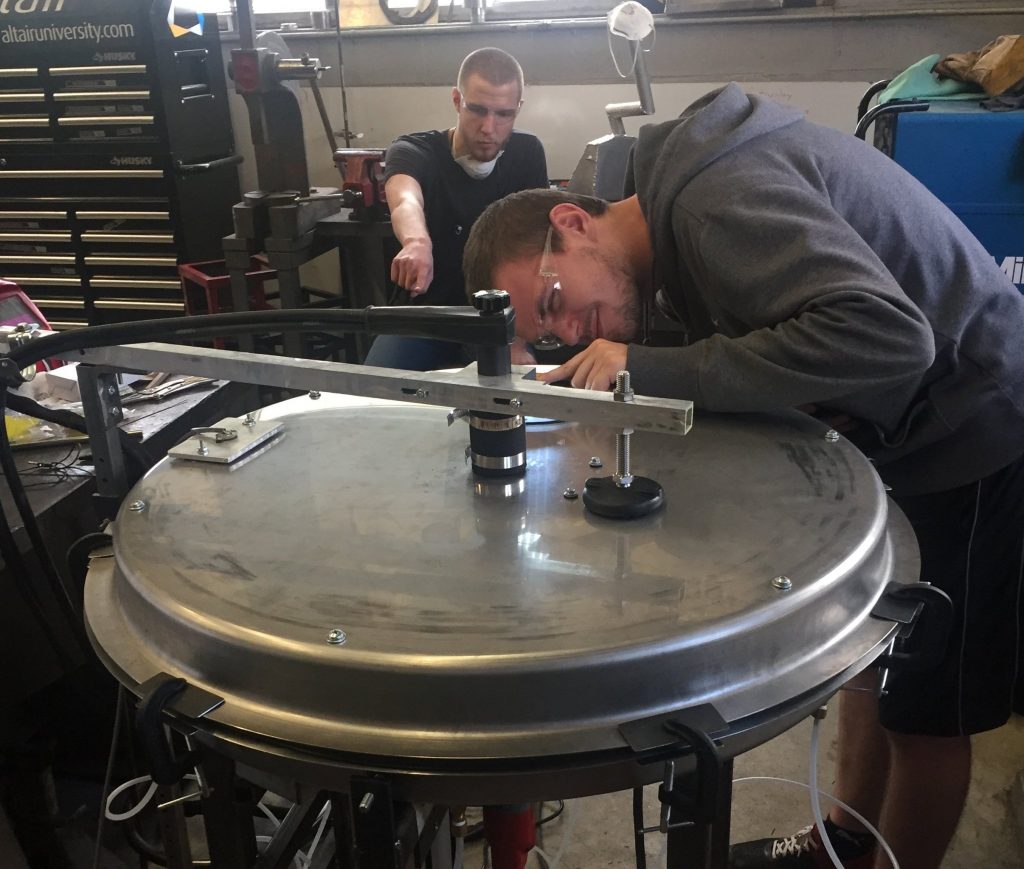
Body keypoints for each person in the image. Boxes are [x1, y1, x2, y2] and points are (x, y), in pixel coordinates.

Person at [462, 83, 1024, 869]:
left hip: (975, 417)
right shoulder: (678, 224)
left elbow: (890, 337)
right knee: (874, 649)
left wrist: (651, 367)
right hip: (907, 427)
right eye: (548, 330)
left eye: (554, 301)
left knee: (926, 714)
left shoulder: (711, 205)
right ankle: (845, 839)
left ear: (573, 221)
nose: (571, 330)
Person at [363, 47, 548, 370]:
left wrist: (516, 337)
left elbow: (534, 250)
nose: (489, 127)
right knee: (374, 388)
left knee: (516, 391)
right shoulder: (414, 150)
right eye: (477, 110)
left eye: (504, 114)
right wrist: (416, 242)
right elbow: (405, 198)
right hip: (425, 317)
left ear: (518, 108)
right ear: (456, 100)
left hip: (498, 319)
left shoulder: (527, 154)